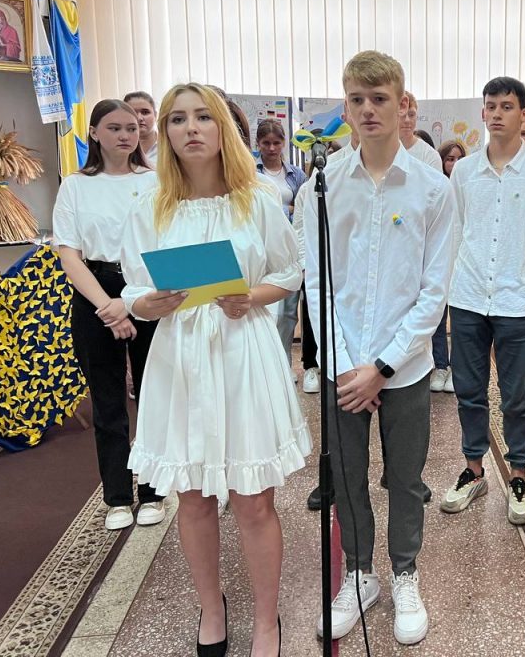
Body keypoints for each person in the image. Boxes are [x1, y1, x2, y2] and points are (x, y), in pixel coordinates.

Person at [121, 83, 311, 657]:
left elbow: (291, 270)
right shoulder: (149, 206)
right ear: (165, 133)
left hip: (242, 350)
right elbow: (133, 285)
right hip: (181, 356)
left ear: (223, 129)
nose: (191, 128)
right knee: (194, 497)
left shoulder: (257, 199)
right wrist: (147, 303)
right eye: (178, 119)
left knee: (253, 500)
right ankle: (211, 607)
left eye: (203, 117)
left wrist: (252, 297)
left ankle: (267, 621)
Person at [302, 51, 454, 645]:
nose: (368, 110)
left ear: (401, 103)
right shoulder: (322, 187)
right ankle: (360, 574)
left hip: (406, 368)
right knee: (347, 478)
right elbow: (319, 283)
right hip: (343, 367)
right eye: (357, 100)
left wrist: (383, 367)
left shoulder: (432, 188)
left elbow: (434, 291)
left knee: (407, 478)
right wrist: (347, 367)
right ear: (345, 106)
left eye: (380, 99)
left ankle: (405, 574)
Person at [441, 77, 525, 525]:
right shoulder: (464, 171)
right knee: (469, 392)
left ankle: (518, 476)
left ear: (523, 114)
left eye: (507, 106)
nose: (497, 114)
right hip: (468, 297)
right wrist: (456, 282)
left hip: (517, 302)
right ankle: (474, 470)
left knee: (516, 397)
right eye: (491, 106)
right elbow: (454, 232)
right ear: (483, 112)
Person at [53, 99, 163, 531]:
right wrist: (109, 309)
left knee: (153, 396)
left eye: (132, 128)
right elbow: (69, 255)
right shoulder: (76, 186)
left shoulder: (155, 181)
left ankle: (152, 491)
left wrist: (135, 303)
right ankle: (117, 497)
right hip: (94, 292)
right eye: (114, 128)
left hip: (147, 289)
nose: (125, 135)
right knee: (108, 401)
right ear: (94, 133)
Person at [255, 119, 308, 365]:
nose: (272, 148)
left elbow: (305, 208)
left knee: (288, 311)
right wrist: (286, 209)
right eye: (266, 143)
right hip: (260, 244)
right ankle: (265, 363)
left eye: (276, 142)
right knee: (263, 308)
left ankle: (285, 362)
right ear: (258, 143)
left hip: (289, 245)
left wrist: (281, 210)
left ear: (284, 143)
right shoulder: (251, 173)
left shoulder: (296, 174)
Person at [429, 139, 467, 393]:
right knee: (438, 318)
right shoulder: (436, 188)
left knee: (461, 321)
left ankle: (456, 368)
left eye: (459, 159)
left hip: (464, 263)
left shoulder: (468, 186)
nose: (454, 164)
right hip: (440, 261)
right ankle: (440, 365)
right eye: (450, 159)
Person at [399, 91, 444, 170]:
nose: (407, 120)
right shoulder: (378, 150)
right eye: (402, 114)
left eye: (411, 115)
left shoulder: (430, 155)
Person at [124, 91, 159, 166]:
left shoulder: (170, 146)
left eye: (145, 112)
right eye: (133, 112)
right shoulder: (118, 148)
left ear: (155, 115)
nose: (139, 118)